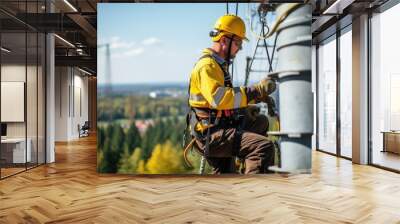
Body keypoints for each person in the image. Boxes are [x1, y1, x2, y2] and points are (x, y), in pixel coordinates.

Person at [188, 14, 276, 174]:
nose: (240, 48)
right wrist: (257, 90)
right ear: (224, 40)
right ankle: (253, 192)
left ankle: (242, 168)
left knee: (260, 122)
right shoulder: (207, 66)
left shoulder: (218, 65)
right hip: (211, 134)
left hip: (218, 127)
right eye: (238, 43)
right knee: (263, 147)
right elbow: (220, 98)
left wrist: (243, 109)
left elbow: (223, 101)